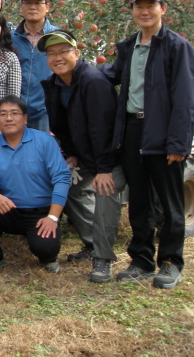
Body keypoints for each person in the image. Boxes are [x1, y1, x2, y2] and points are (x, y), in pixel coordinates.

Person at [100, 0, 194, 289]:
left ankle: (170, 261)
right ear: (131, 11)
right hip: (133, 130)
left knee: (170, 203)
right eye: (138, 6)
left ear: (163, 9)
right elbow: (110, 75)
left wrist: (179, 143)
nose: (144, 11)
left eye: (150, 6)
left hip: (162, 132)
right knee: (139, 201)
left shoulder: (176, 47)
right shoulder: (129, 47)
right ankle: (141, 260)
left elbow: (186, 98)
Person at [38, 29, 125, 283]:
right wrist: (73, 156)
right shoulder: (55, 85)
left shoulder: (93, 81)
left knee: (105, 192)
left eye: (63, 52)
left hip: (112, 157)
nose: (57, 58)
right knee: (68, 185)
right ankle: (91, 242)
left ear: (76, 53)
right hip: (88, 156)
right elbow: (64, 127)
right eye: (52, 54)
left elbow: (104, 129)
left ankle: (103, 258)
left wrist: (104, 169)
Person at [0, 95, 71, 273]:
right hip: (8, 209)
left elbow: (62, 178)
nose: (8, 118)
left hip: (40, 213)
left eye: (14, 113)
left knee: (45, 249)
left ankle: (48, 255)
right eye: (3, 114)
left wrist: (53, 217)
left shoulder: (45, 141)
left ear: (25, 118)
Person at [11, 0, 60, 132]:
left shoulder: (58, 37)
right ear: (21, 7)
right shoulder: (10, 39)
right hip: (15, 113)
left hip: (47, 113)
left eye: (38, 3)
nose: (33, 7)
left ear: (47, 7)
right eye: (28, 3)